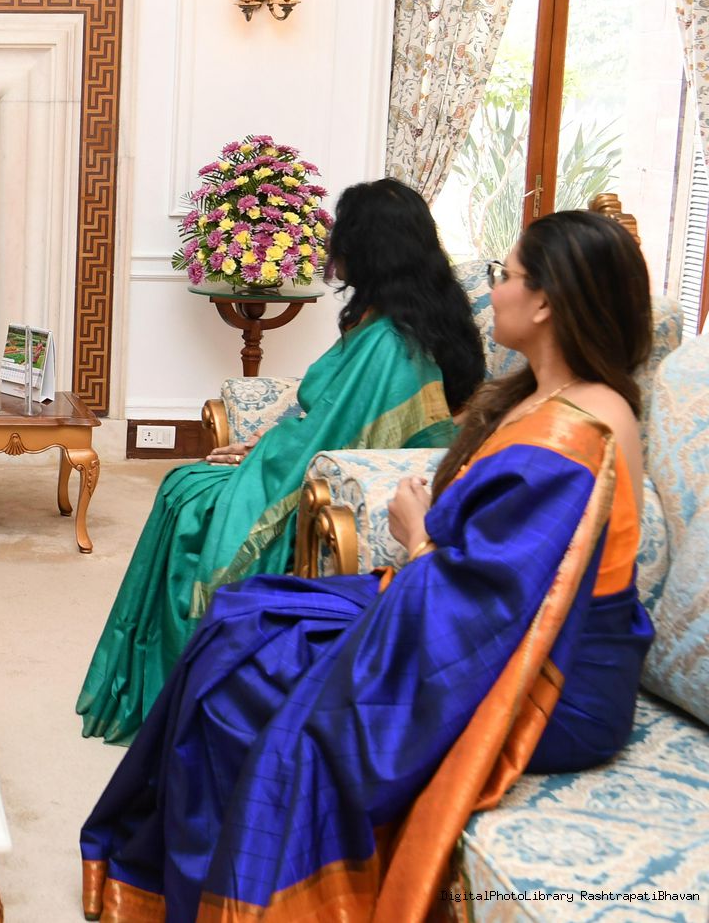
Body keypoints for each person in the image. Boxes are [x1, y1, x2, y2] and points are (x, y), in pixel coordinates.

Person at [78, 210, 653, 921]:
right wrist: (427, 541)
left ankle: (221, 897)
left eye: (505, 276)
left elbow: (491, 600)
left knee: (248, 684)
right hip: (473, 624)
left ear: (545, 302)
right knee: (239, 617)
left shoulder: (581, 428)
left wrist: (417, 538)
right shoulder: (538, 396)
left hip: (544, 681)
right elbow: (491, 567)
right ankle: (171, 884)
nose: (491, 289)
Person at [77, 179, 485, 743]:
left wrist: (262, 452)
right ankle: (162, 691)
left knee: (192, 500)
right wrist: (265, 441)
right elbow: (327, 413)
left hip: (325, 481)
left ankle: (180, 695)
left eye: (342, 233)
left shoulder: (392, 342)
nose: (331, 245)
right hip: (300, 453)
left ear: (368, 247)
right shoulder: (389, 316)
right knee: (185, 485)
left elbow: (342, 435)